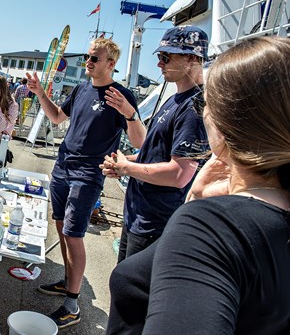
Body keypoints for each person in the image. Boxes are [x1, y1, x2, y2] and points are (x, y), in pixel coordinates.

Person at [107, 36, 290, 334]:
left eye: (208, 101)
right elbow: (150, 147)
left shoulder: (214, 228)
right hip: (141, 210)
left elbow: (178, 173)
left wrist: (196, 214)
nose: (160, 63)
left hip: (153, 216)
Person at [25, 37, 146, 329]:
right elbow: (56, 117)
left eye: (94, 58)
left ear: (111, 63)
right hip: (63, 167)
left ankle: (72, 305)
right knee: (59, 227)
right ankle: (68, 281)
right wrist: (41, 93)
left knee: (73, 233)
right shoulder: (81, 88)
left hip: (88, 174)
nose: (88, 62)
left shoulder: (122, 95)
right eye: (88, 58)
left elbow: (139, 141)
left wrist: (129, 113)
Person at [101, 25, 210, 262]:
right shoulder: (175, 100)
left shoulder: (194, 109)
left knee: (134, 295)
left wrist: (126, 168)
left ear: (192, 58)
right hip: (138, 215)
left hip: (155, 223)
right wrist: (124, 160)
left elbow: (180, 174)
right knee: (122, 285)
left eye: (165, 57)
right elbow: (157, 155)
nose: (159, 63)